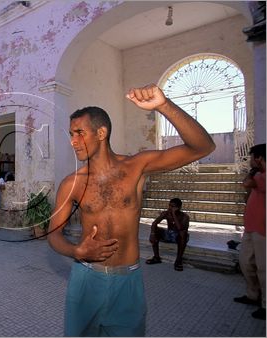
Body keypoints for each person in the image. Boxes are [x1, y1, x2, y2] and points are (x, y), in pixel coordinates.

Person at [47, 83, 215, 336]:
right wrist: (76, 250)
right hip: (86, 280)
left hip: (128, 281)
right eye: (70, 134)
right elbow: (53, 234)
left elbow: (202, 147)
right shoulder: (71, 183)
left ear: (101, 133)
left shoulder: (136, 166)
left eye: (79, 133)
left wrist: (163, 105)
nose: (73, 141)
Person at [233, 143, 265, 320]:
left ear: (259, 158)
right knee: (246, 262)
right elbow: (246, 184)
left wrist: (255, 172)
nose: (249, 160)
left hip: (263, 230)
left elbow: (246, 183)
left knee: (264, 268)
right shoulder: (258, 175)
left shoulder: (263, 177)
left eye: (252, 157)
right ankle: (253, 295)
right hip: (251, 228)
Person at [145, 198, 190, 271]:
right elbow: (154, 224)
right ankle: (156, 257)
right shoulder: (166, 213)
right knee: (156, 230)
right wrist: (153, 234)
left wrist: (174, 215)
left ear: (179, 207)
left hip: (179, 236)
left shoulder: (185, 217)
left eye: (173, 206)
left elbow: (180, 228)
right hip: (169, 234)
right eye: (170, 205)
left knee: (183, 234)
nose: (170, 208)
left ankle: (178, 260)